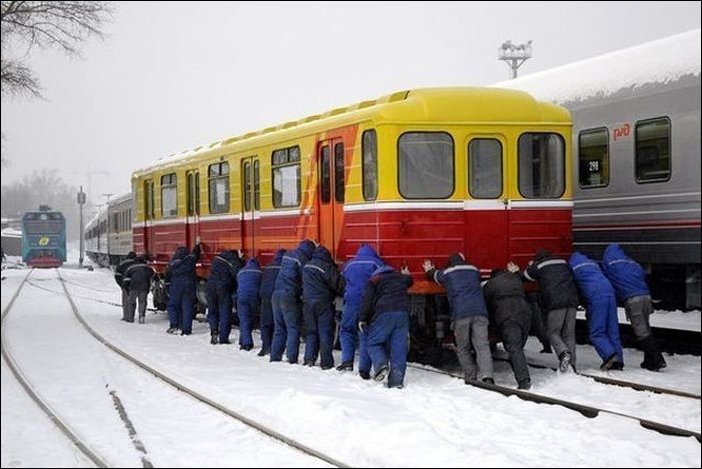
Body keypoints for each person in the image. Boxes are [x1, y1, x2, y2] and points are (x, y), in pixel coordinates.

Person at [424, 253, 494, 385]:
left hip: (461, 315)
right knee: (482, 345)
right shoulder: (474, 270)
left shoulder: (448, 272)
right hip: (480, 313)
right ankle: (487, 377)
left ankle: (470, 376)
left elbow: (433, 275)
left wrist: (429, 269)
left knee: (463, 347)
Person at [511, 249, 579, 373]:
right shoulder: (563, 262)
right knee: (569, 334)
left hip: (556, 302)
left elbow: (525, 277)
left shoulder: (539, 265)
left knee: (553, 332)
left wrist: (516, 271)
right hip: (572, 301)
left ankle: (563, 353)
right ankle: (572, 365)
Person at [601, 243, 666, 372]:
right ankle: (649, 361)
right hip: (646, 297)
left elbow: (607, 280)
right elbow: (643, 275)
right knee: (646, 329)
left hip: (632, 299)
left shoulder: (609, 264)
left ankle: (658, 360)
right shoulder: (632, 262)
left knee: (641, 332)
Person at [359, 264, 413, 389]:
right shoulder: (400, 277)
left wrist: (362, 318)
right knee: (399, 347)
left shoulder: (374, 280)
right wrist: (407, 274)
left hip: (384, 313)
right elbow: (409, 281)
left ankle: (381, 365)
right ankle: (396, 381)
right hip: (403, 313)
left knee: (372, 343)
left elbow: (367, 301)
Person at [569, 252, 624, 371]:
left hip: (596, 296)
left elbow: (573, 286)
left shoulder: (571, 265)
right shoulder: (591, 262)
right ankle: (619, 361)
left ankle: (610, 355)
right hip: (610, 293)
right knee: (612, 330)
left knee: (596, 332)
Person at [338, 244, 384, 378]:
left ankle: (347, 362)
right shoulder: (376, 263)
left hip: (351, 302)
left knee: (346, 330)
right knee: (365, 334)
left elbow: (342, 278)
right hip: (368, 304)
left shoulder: (349, 264)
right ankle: (364, 369)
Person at [483, 268, 533, 389]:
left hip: (508, 315)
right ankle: (519, 369)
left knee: (514, 348)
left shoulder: (491, 284)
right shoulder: (515, 279)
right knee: (518, 347)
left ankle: (523, 380)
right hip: (526, 313)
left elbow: (485, 303)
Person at [271, 239, 316, 364]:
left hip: (276, 294)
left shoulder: (287, 255)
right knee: (293, 328)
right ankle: (291, 358)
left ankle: (275, 357)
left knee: (279, 328)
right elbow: (305, 277)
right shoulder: (302, 258)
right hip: (289, 295)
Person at [302, 244, 345, 369]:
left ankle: (309, 358)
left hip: (308, 303)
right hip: (323, 303)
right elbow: (338, 284)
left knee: (311, 331)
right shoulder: (326, 267)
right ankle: (326, 362)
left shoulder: (307, 266)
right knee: (325, 332)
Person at [206, 249, 244, 344]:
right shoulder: (232, 261)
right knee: (225, 312)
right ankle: (223, 338)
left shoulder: (217, 258)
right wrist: (240, 261)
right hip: (223, 288)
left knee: (212, 310)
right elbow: (238, 274)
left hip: (210, 286)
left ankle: (214, 331)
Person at [164, 242, 201, 335]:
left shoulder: (171, 263)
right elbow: (195, 253)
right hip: (189, 287)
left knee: (172, 306)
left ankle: (174, 326)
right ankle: (186, 329)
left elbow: (167, 276)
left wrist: (167, 287)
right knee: (187, 307)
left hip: (176, 287)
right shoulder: (190, 260)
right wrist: (197, 247)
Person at [258, 249, 285, 356]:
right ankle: (275, 347)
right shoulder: (285, 267)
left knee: (265, 323)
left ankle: (265, 347)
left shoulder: (268, 266)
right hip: (278, 296)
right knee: (278, 323)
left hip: (265, 295)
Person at [237, 257, 262, 351]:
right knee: (254, 318)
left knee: (244, 319)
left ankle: (245, 342)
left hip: (241, 297)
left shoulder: (241, 271)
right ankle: (246, 341)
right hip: (254, 298)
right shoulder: (259, 272)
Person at [122, 254, 155, 324]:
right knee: (142, 302)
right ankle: (141, 317)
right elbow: (153, 275)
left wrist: (127, 288)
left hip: (133, 287)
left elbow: (126, 279)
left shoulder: (130, 268)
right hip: (144, 287)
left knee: (132, 302)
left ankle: (130, 318)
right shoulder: (147, 268)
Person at [114, 251, 137, 322]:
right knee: (133, 301)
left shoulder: (122, 264)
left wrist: (121, 284)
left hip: (125, 284)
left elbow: (117, 275)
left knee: (125, 301)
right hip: (135, 285)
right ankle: (131, 316)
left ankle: (126, 316)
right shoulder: (136, 263)